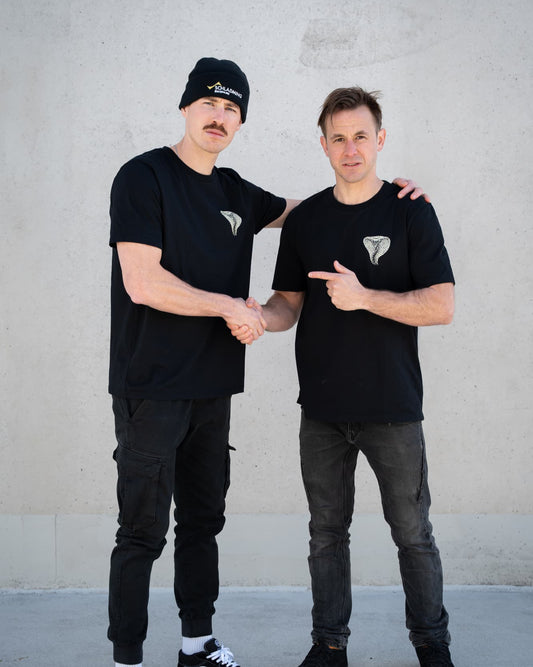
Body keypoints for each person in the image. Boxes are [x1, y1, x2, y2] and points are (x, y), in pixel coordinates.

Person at [108, 57, 426, 667]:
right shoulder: (143, 177)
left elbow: (317, 209)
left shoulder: (235, 192)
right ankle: (127, 656)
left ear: (241, 120)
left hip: (213, 387)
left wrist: (390, 196)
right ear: (185, 107)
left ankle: (197, 645)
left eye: (231, 108)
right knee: (142, 531)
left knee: (202, 522)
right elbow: (142, 282)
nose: (219, 116)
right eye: (209, 103)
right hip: (150, 385)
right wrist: (230, 305)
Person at [233, 87, 455, 667]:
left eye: (360, 136)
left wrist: (366, 297)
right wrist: (258, 318)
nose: (350, 148)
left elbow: (441, 305)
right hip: (322, 411)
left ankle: (432, 646)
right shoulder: (306, 220)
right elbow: (288, 304)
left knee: (413, 534)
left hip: (393, 407)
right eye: (339, 138)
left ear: (379, 140)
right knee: (326, 534)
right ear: (324, 145)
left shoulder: (411, 211)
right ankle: (329, 645)